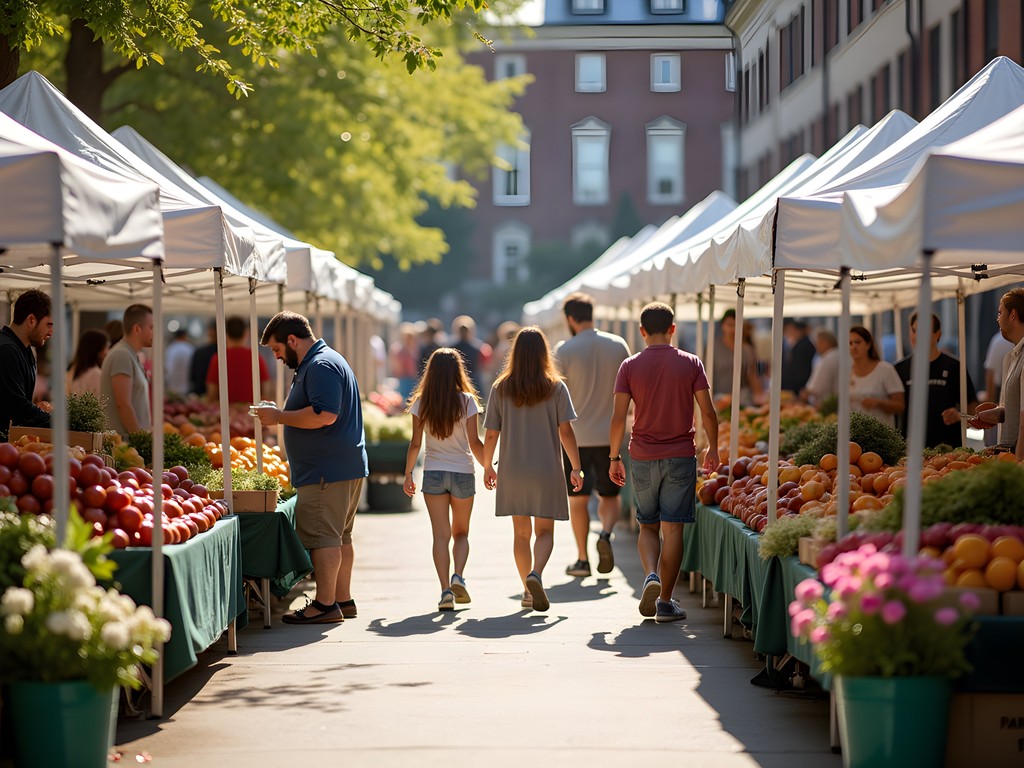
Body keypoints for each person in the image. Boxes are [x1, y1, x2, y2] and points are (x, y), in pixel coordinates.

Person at [255, 311, 368, 624]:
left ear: (293, 340)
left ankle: (325, 605)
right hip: (338, 466)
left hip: (325, 470)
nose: (277, 357)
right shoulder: (324, 360)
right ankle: (342, 600)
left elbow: (324, 415)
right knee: (339, 536)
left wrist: (279, 417)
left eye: (278, 349)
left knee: (324, 538)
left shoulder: (319, 365)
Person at [609, 303, 719, 623]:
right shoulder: (691, 362)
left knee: (648, 525)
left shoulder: (629, 366)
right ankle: (666, 602)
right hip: (681, 455)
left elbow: (618, 418)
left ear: (642, 332)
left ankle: (650, 576)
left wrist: (614, 457)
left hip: (642, 454)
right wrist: (713, 448)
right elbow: (708, 411)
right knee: (673, 531)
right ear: (673, 328)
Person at [482, 327, 583, 613]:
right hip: (547, 470)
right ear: (543, 353)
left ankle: (527, 591)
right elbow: (566, 432)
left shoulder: (501, 387)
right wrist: (576, 468)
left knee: (521, 534)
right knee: (545, 532)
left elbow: (491, 433)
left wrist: (488, 465)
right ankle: (537, 573)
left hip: (513, 470)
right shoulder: (556, 387)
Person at [554, 292, 631, 579]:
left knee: (578, 500)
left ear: (571, 318)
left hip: (575, 437)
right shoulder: (618, 345)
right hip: (612, 435)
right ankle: (606, 534)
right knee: (610, 495)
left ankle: (582, 558)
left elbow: (557, 397)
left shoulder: (564, 350)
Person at [403, 349, 485, 611]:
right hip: (463, 472)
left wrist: (407, 475)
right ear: (458, 371)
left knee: (440, 536)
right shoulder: (468, 401)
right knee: (461, 533)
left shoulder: (421, 402)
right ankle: (458, 576)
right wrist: (490, 468)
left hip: (434, 473)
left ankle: (444, 592)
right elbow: (474, 442)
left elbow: (415, 444)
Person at [893, 313, 978, 448]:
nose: (917, 336)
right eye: (914, 330)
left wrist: (959, 416)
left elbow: (973, 411)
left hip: (948, 450)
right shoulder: (899, 369)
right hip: (910, 450)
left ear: (938, 334)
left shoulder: (954, 366)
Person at [969, 288, 1024, 458]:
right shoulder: (1013, 356)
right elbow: (1017, 408)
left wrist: (1018, 464)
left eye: (1000, 313)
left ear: (1013, 315)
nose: (997, 319)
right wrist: (999, 413)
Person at [0, 289, 53, 439]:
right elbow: (18, 407)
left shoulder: (27, 351)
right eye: (49, 324)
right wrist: (59, 421)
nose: (51, 332)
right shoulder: (6, 350)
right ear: (31, 320)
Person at [100, 304, 154, 437]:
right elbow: (123, 404)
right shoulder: (122, 355)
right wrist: (140, 440)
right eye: (151, 327)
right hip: (123, 445)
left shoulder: (130, 354)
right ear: (137, 329)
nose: (155, 332)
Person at [848, 325, 904, 428]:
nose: (853, 347)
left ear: (868, 344)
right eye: (850, 343)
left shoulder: (885, 369)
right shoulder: (847, 373)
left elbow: (900, 406)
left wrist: (878, 403)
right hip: (856, 434)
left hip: (881, 434)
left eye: (857, 342)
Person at [205, 316, 271, 404]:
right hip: (250, 412)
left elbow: (212, 393)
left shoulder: (218, 359)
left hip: (226, 412)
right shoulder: (255, 358)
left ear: (226, 334)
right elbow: (266, 390)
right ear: (245, 334)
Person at [712, 309, 762, 406]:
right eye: (729, 325)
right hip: (719, 399)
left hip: (742, 398)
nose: (732, 329)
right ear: (723, 326)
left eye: (735, 325)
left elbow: (753, 374)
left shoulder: (747, 349)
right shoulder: (713, 347)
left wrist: (759, 394)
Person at [451, 315, 489, 397]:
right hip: (474, 382)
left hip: (455, 382)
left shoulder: (451, 348)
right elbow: (483, 366)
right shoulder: (479, 348)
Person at [67, 329, 110, 398]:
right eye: (106, 347)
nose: (108, 352)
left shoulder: (74, 370)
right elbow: (101, 403)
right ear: (99, 350)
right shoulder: (96, 374)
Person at [802, 329, 840, 406]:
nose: (816, 346)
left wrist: (805, 393)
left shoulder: (828, 357)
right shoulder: (839, 354)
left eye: (818, 342)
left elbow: (816, 387)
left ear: (825, 342)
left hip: (826, 404)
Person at [780, 319, 816, 396]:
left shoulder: (802, 345)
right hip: (798, 385)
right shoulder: (805, 344)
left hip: (796, 386)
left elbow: (799, 369)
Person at [389, 322, 419, 399]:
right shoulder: (399, 349)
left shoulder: (412, 349)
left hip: (410, 378)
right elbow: (397, 366)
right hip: (404, 378)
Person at [189, 320, 217, 397]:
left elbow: (192, 377)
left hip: (201, 393)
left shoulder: (200, 352)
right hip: (220, 396)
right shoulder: (224, 353)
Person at [164, 329, 194, 398]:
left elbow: (168, 369)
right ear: (184, 336)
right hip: (187, 388)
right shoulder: (190, 349)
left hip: (172, 388)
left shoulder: (170, 349)